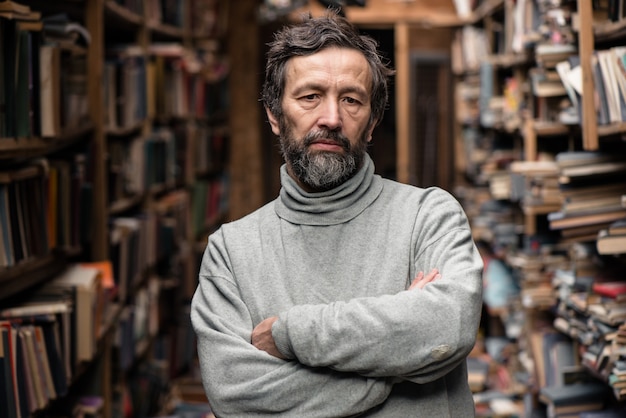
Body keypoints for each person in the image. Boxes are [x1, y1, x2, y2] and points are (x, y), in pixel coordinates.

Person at [191, 11, 483, 417]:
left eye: (351, 99)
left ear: (371, 123)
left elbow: (447, 328)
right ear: (275, 115)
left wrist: (288, 335)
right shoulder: (231, 251)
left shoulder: (429, 216)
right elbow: (235, 395)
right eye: (310, 96)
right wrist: (396, 359)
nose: (331, 118)